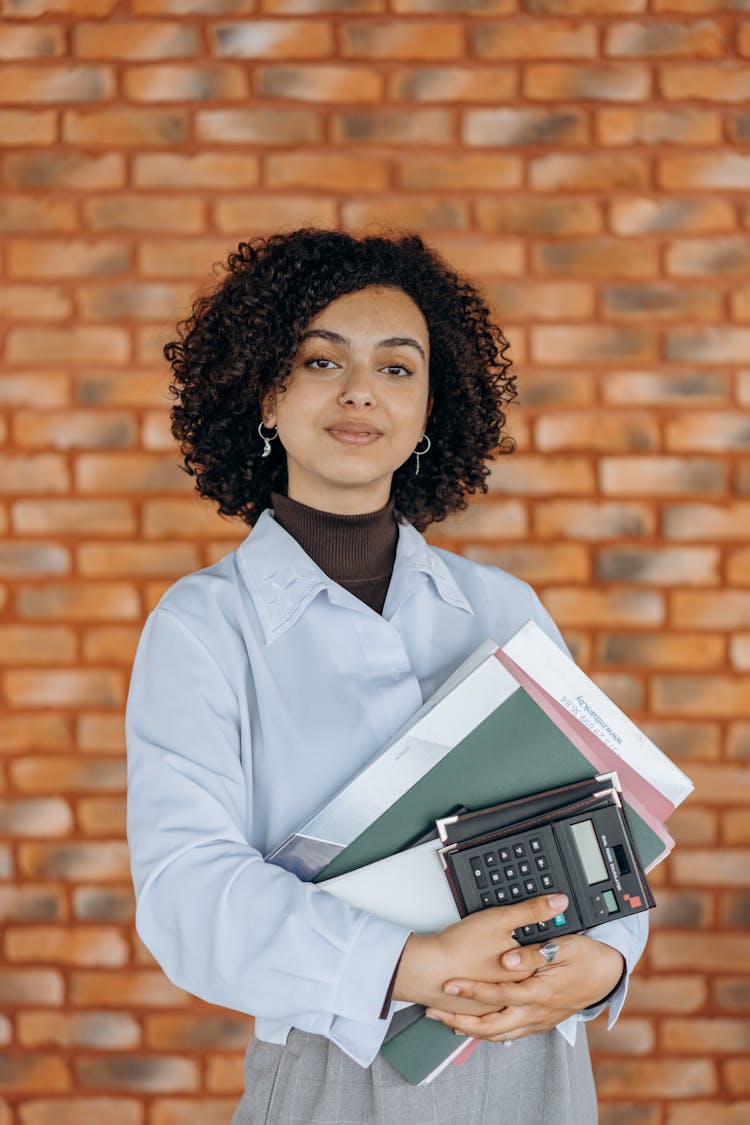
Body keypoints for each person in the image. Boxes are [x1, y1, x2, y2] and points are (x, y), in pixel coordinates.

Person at [126, 228, 648, 1124]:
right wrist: (415, 964)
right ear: (265, 390)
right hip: (343, 1064)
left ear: (431, 407)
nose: (362, 390)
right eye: (321, 359)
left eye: (397, 368)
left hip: (536, 1060)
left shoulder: (503, 606)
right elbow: (188, 891)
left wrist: (608, 965)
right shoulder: (203, 625)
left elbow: (607, 829)